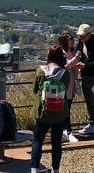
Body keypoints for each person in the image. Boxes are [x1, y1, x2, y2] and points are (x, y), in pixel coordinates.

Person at [30, 45, 71, 173]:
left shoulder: (40, 71)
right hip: (59, 114)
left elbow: (35, 90)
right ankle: (55, 169)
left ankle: (34, 169)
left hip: (42, 113)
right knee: (56, 144)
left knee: (37, 142)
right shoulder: (65, 74)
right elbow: (65, 91)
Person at [57, 31, 82, 143]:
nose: (72, 40)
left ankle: (64, 129)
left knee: (67, 108)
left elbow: (71, 65)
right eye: (70, 39)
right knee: (65, 109)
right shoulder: (61, 53)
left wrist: (77, 63)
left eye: (72, 38)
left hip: (70, 84)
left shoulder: (71, 52)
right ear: (64, 41)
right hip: (64, 85)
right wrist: (76, 59)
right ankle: (68, 131)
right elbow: (66, 65)